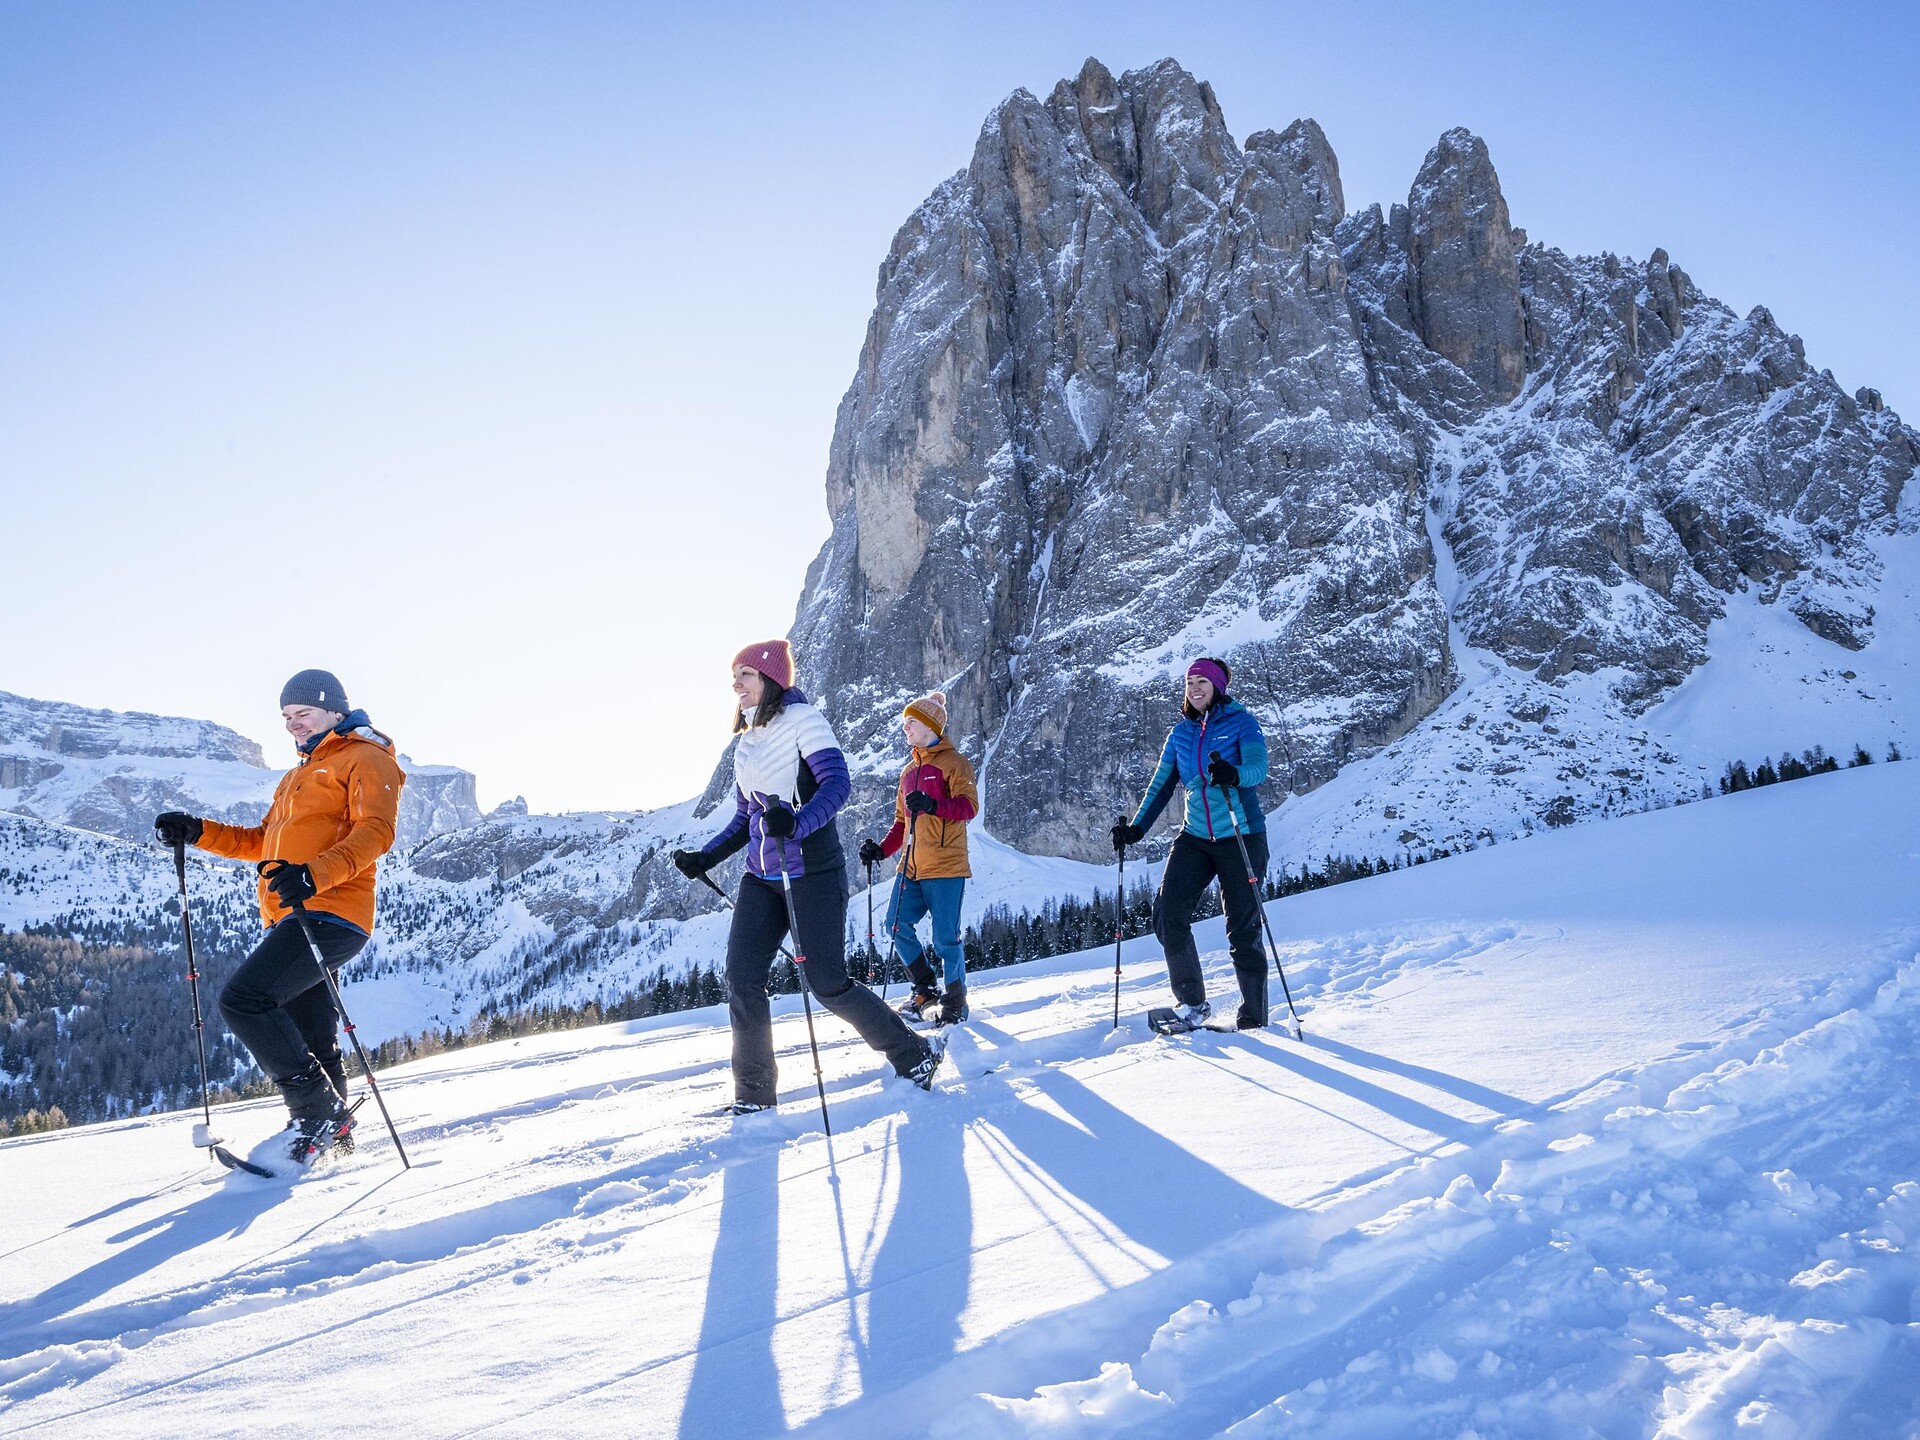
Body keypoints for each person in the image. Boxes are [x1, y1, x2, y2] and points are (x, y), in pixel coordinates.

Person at [673, 639, 943, 1114]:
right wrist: (705, 857)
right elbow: (746, 818)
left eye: (745, 675)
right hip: (761, 877)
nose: (736, 685)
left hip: (812, 873)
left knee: (827, 983)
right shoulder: (748, 741)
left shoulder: (805, 722)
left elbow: (837, 785)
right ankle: (754, 1096)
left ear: (771, 678)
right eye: (734, 677)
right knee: (742, 978)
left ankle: (914, 1054)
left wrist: (796, 824)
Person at [154, 669, 406, 1162]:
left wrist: (314, 875)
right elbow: (261, 842)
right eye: (287, 716)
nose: (293, 724)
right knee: (314, 1037)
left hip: (332, 912)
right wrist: (197, 830)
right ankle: (331, 1148)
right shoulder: (298, 775)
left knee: (244, 1000)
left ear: (334, 709)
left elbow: (376, 832)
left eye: (303, 713)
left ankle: (316, 1113)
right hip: (293, 914)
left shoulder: (366, 757)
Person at [1110, 657, 1271, 1030]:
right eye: (1189, 682)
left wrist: (1234, 773)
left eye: (1202, 682)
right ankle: (1193, 1003)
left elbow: (1257, 769)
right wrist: (1137, 829)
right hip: (1195, 836)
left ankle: (1254, 1016)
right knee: (1168, 912)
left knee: (1243, 927)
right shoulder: (1180, 734)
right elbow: (1162, 785)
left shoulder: (1242, 723)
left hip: (1241, 834)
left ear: (1218, 687)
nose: (1195, 689)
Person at [858, 690, 979, 1026]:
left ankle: (955, 1002)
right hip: (911, 867)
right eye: (905, 723)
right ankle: (924, 989)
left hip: (946, 866)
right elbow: (902, 822)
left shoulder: (954, 763)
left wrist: (933, 805)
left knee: (945, 939)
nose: (905, 728)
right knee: (895, 925)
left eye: (911, 722)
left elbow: (969, 807)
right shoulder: (908, 772)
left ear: (930, 725)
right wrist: (881, 850)